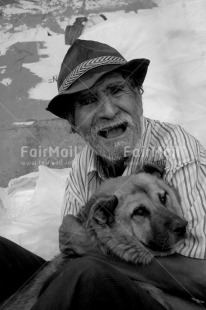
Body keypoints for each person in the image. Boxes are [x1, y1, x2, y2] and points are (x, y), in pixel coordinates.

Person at [1, 39, 206, 309]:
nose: (108, 111)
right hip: (104, 288)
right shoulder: (82, 163)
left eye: (116, 90)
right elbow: (74, 247)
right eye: (88, 100)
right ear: (73, 123)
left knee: (85, 275)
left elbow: (202, 281)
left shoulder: (179, 153)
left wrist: (99, 255)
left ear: (138, 97)